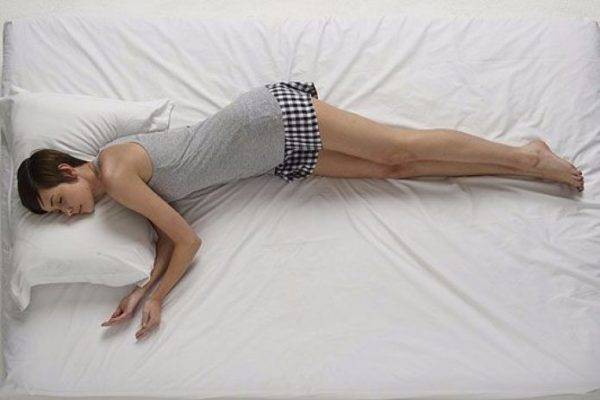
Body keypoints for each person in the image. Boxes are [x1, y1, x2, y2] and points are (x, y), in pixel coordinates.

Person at [16, 81, 584, 340]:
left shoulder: (115, 171)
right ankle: (518, 170)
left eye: (60, 202)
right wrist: (141, 292)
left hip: (267, 121)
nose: (70, 215)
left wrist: (160, 297)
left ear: (68, 169)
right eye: (58, 215)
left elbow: (188, 240)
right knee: (395, 171)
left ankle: (527, 157)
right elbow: (166, 237)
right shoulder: (119, 185)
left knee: (398, 149)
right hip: (275, 157)